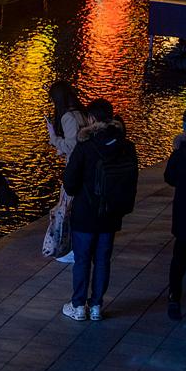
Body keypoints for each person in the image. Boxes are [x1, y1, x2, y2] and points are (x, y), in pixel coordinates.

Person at [62, 99, 138, 321]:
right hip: (111, 213)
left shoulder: (85, 147)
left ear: (91, 119)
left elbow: (70, 182)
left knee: (82, 259)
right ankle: (96, 306)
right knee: (103, 259)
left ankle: (78, 306)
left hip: (85, 213)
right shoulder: (125, 145)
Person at [45, 81, 88, 263]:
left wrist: (54, 138)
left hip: (75, 169)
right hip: (85, 167)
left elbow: (72, 145)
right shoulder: (82, 113)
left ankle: (70, 247)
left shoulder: (67, 117)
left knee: (67, 208)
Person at [163, 131, 186, 324]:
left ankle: (174, 296)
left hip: (185, 212)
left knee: (180, 259)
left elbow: (169, 177)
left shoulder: (182, 151)